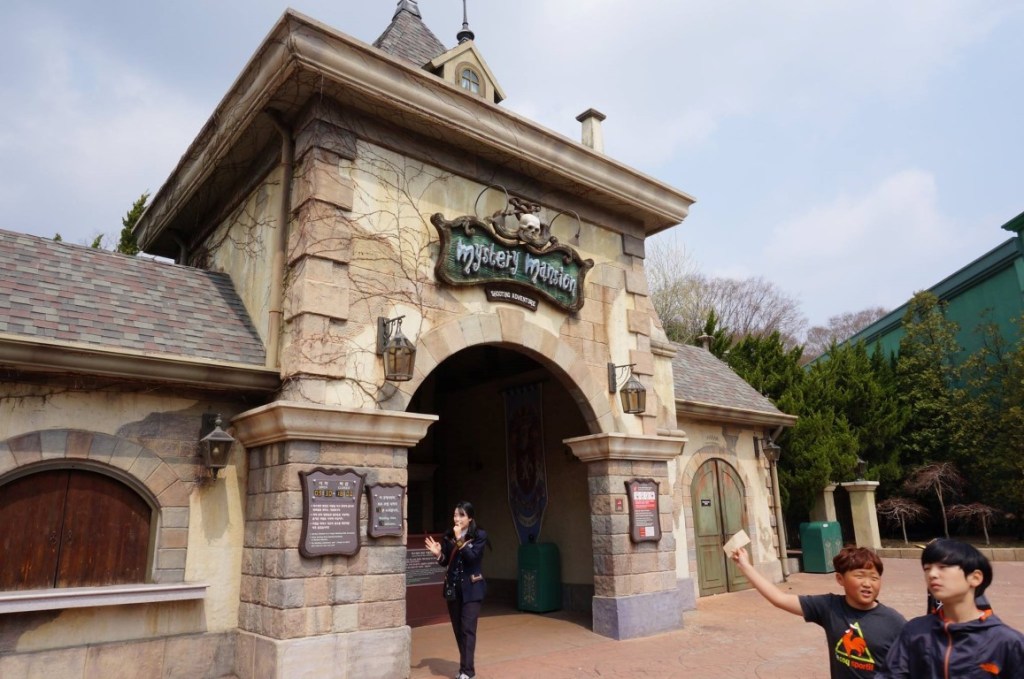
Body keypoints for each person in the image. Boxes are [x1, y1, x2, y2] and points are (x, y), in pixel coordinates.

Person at [731, 544, 906, 677]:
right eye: (859, 576)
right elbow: (779, 598)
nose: (868, 584)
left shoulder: (894, 622)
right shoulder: (830, 607)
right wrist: (745, 566)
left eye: (874, 578)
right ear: (840, 579)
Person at [880, 539, 1024, 678]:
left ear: (975, 578)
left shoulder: (1006, 641)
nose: (932, 574)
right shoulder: (915, 632)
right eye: (927, 569)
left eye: (943, 567)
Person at [425, 501, 488, 679]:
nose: (457, 518)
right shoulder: (448, 535)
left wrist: (460, 538)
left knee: (468, 629)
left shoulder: (479, 535)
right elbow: (446, 561)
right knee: (459, 630)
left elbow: (472, 558)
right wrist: (438, 554)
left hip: (472, 589)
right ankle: (465, 667)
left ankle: (468, 671)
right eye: (455, 515)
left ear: (470, 518)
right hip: (454, 589)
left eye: (461, 515)